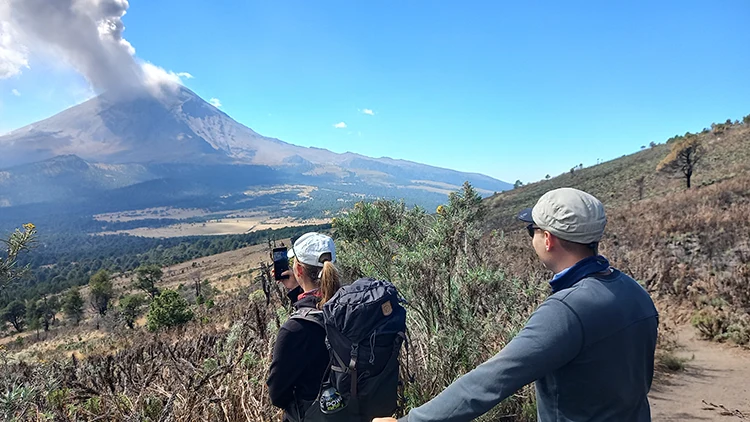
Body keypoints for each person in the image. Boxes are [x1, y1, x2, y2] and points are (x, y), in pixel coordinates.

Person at [375, 188, 659, 422]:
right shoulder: (633, 291)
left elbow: (492, 380)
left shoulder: (568, 310)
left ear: (548, 239)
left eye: (531, 230)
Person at [267, 232, 342, 421]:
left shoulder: (294, 330)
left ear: (298, 270)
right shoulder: (351, 306)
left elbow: (277, 395)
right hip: (354, 409)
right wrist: (296, 292)